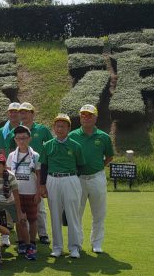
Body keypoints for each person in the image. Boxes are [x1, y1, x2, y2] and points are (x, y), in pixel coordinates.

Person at [5, 102, 53, 244]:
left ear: (32, 113)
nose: (23, 114)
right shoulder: (14, 131)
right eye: (20, 112)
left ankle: (42, 234)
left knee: (39, 210)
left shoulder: (42, 129)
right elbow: (9, 150)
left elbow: (50, 147)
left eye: (26, 112)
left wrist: (43, 182)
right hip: (18, 181)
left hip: (35, 175)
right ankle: (23, 240)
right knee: (20, 215)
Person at [39, 113, 86, 258]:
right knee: (55, 214)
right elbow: (44, 166)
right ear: (54, 127)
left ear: (68, 128)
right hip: (52, 179)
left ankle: (74, 247)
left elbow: (80, 166)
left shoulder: (75, 146)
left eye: (63, 126)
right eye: (57, 126)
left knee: (72, 214)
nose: (60, 129)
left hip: (70, 179)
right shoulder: (47, 145)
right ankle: (57, 247)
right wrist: (42, 185)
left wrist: (71, 178)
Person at [69, 104, 114, 253]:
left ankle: (96, 243)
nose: (86, 118)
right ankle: (77, 243)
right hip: (78, 179)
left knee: (99, 213)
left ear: (95, 118)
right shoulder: (72, 135)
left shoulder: (103, 137)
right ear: (80, 117)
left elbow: (109, 157)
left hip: (96, 178)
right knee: (76, 213)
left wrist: (98, 167)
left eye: (90, 115)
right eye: (83, 115)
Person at [7, 125, 41, 260]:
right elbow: (8, 174)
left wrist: (38, 192)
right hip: (17, 193)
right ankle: (21, 242)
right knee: (19, 219)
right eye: (18, 138)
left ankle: (32, 243)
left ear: (29, 139)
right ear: (15, 140)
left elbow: (39, 175)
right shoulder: (11, 156)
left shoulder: (35, 155)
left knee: (32, 219)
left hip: (31, 192)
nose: (21, 141)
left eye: (24, 138)